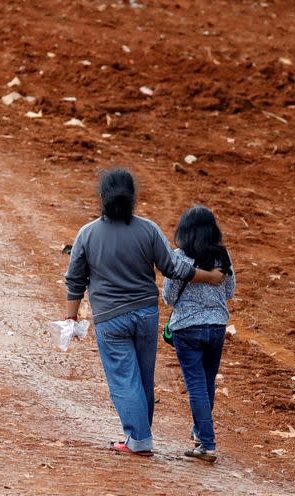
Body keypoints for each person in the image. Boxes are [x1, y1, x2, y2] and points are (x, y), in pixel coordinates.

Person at [64, 169, 225, 457]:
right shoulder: (148, 229)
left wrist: (71, 317)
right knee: (142, 378)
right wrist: (209, 277)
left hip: (110, 319)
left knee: (124, 379)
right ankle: (140, 434)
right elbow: (174, 269)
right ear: (133, 198)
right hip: (146, 315)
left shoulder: (87, 234)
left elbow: (75, 279)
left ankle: (138, 439)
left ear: (101, 197)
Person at [162, 205, 235, 463]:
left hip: (187, 329)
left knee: (196, 386)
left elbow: (169, 297)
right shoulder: (222, 255)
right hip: (216, 327)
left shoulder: (178, 257)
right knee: (207, 382)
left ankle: (207, 443)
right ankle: (199, 434)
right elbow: (229, 291)